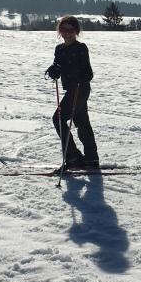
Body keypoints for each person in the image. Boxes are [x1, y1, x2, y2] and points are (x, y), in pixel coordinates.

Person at [45, 15, 98, 169]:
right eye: (63, 29)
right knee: (82, 123)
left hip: (80, 90)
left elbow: (88, 74)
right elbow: (58, 67)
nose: (67, 33)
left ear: (76, 31)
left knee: (58, 119)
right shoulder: (59, 49)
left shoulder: (81, 48)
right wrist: (54, 71)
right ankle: (91, 158)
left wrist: (78, 76)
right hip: (71, 90)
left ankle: (73, 157)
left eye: (71, 29)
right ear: (60, 31)